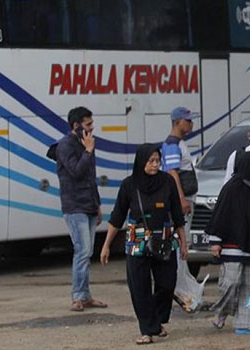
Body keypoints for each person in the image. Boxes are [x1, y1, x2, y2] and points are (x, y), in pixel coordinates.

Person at [100, 144, 188, 345]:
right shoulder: (129, 185)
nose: (155, 165)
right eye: (151, 161)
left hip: (165, 238)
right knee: (139, 287)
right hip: (137, 240)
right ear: (141, 162)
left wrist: (183, 243)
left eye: (158, 161)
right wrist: (106, 245)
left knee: (166, 284)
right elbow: (117, 217)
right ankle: (148, 330)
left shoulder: (167, 182)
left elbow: (177, 214)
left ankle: (156, 321)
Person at [207, 151, 250, 335]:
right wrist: (216, 242)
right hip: (232, 245)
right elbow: (220, 215)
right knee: (232, 282)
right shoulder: (231, 188)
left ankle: (247, 322)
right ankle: (221, 312)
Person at [48, 106, 106, 312]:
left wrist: (97, 204)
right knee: (82, 250)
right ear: (76, 125)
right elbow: (76, 172)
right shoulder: (65, 146)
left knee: (87, 250)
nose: (92, 127)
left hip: (89, 203)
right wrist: (88, 151)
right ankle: (78, 296)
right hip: (74, 205)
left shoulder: (87, 142)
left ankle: (85, 294)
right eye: (88, 124)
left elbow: (91, 176)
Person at [161, 107, 199, 234]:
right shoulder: (173, 144)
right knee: (181, 236)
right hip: (182, 198)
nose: (191, 124)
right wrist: (181, 199)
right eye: (188, 121)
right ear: (177, 122)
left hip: (187, 196)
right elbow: (172, 172)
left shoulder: (179, 142)